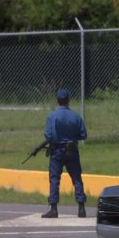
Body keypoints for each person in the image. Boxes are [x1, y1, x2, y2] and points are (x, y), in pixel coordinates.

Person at [42, 88, 88, 218]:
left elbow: (49, 136)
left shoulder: (51, 116)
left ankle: (54, 208)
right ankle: (81, 207)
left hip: (57, 151)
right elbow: (83, 135)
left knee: (55, 178)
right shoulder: (76, 116)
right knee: (77, 178)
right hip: (72, 151)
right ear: (68, 100)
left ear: (57, 101)